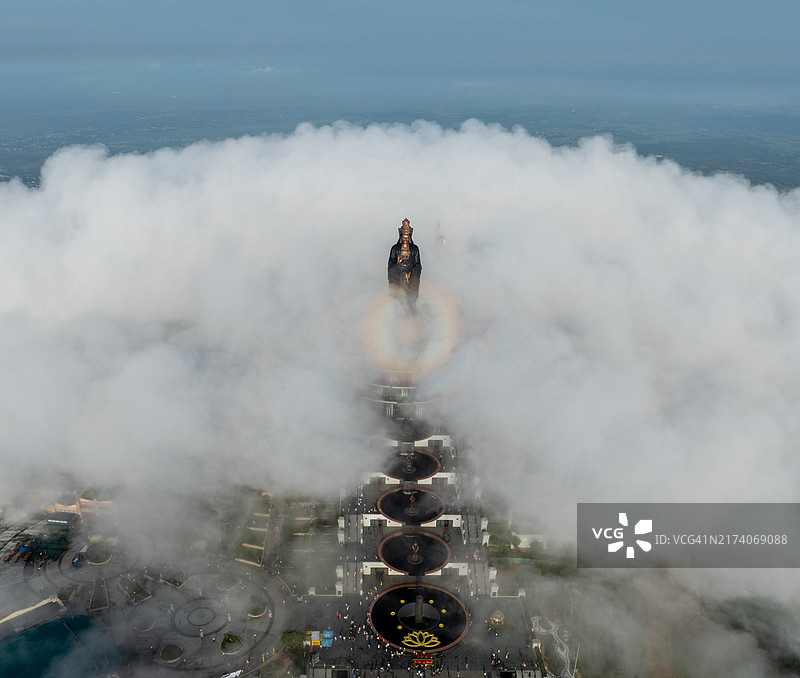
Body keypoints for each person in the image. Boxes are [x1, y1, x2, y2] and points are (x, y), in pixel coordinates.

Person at [388, 218, 422, 309]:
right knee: (399, 302)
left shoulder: (415, 249)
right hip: (398, 277)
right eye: (404, 236)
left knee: (410, 301)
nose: (405, 238)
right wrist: (397, 265)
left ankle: (411, 315)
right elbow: (390, 264)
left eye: (407, 236)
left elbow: (418, 264)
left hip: (410, 278)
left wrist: (411, 273)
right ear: (400, 236)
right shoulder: (395, 249)